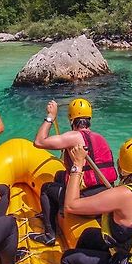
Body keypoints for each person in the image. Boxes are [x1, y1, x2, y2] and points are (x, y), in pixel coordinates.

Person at [30, 98, 116, 246]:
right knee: (59, 176)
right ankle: (55, 212)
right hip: (105, 199)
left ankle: (49, 235)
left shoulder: (73, 137)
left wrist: (51, 116)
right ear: (89, 118)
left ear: (71, 119)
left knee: (46, 189)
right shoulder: (100, 138)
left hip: (85, 203)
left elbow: (39, 141)